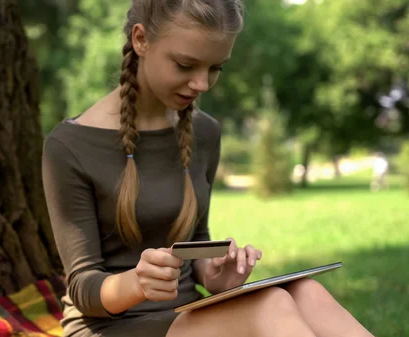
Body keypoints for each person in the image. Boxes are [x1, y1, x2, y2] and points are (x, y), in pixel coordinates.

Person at [41, 1, 375, 336]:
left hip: (186, 317)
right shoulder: (70, 145)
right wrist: (137, 283)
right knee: (271, 305)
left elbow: (196, 239)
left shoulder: (205, 132)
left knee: (306, 292)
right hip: (109, 327)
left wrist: (214, 274)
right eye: (186, 65)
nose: (202, 84)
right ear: (141, 40)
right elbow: (82, 288)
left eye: (216, 68)